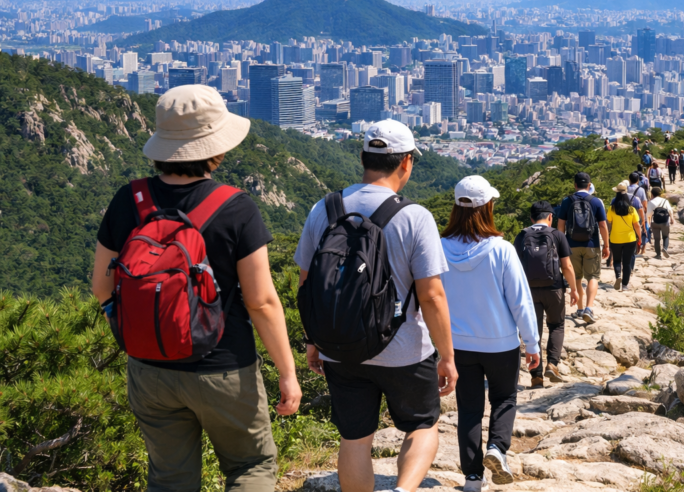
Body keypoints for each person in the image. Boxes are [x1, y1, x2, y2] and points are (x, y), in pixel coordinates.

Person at [92, 85, 301, 491]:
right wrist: (287, 373)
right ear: (216, 149)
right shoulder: (236, 208)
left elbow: (102, 288)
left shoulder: (127, 200)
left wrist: (145, 331)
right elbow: (261, 302)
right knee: (250, 467)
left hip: (149, 369)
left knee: (170, 479)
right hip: (224, 367)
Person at [294, 119, 457, 492]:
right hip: (406, 353)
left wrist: (313, 340)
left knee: (355, 438)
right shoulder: (414, 216)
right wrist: (446, 356)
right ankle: (403, 490)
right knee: (422, 425)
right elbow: (431, 296)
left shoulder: (325, 208)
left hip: (341, 349)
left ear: (363, 158)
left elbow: (307, 286)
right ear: (406, 163)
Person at [439, 176, 540, 490]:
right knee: (505, 398)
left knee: (468, 409)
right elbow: (520, 301)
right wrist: (532, 343)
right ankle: (497, 447)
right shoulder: (502, 249)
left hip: (457, 345)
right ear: (488, 207)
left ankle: (472, 478)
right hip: (501, 343)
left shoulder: (439, 248)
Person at [514, 201, 578, 388]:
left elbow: (514, 266)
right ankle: (553, 363)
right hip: (554, 289)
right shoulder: (557, 235)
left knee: (533, 331)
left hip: (529, 292)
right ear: (551, 217)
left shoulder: (522, 235)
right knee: (557, 325)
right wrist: (573, 289)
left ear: (531, 218)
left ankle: (536, 376)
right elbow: (566, 266)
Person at [557, 172, 610, 324]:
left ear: (574, 185)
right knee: (592, 277)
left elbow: (561, 225)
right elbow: (602, 225)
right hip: (591, 244)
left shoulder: (567, 201)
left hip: (571, 245)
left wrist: (561, 245)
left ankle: (579, 309)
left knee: (577, 277)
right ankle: (589, 308)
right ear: (589, 185)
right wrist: (606, 245)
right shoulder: (596, 201)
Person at [609, 182, 642, 291]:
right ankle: (625, 285)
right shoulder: (631, 209)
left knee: (617, 260)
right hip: (630, 239)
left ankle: (618, 276)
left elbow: (608, 222)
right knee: (627, 262)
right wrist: (640, 237)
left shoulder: (612, 209)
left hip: (615, 238)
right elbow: (637, 225)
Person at [627, 172, 649, 256]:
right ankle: (639, 249)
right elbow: (644, 204)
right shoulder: (641, 190)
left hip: (627, 214)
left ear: (629, 180)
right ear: (638, 180)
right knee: (641, 231)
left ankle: (632, 249)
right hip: (639, 214)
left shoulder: (626, 189)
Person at [649, 187, 673, 259]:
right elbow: (670, 210)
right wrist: (672, 218)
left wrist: (648, 223)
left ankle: (658, 254)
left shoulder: (651, 202)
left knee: (656, 239)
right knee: (665, 236)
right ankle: (665, 248)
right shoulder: (665, 201)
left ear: (652, 194)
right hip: (665, 222)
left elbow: (648, 215)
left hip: (655, 222)